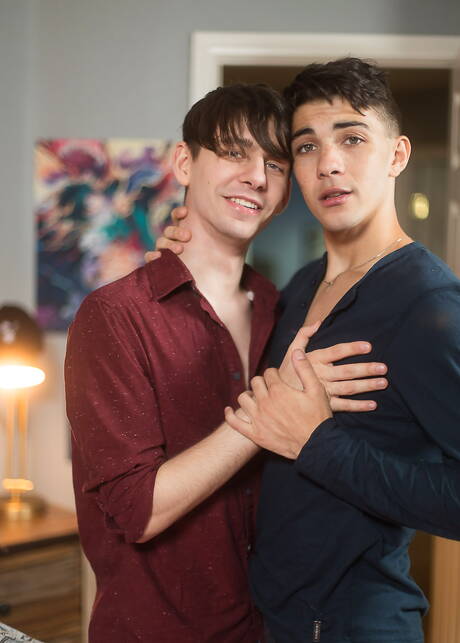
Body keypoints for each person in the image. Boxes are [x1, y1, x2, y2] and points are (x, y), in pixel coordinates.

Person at [65, 83, 386, 642]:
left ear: (284, 194)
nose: (256, 177)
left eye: (275, 164)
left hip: (274, 627)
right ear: (184, 163)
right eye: (234, 153)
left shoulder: (282, 307)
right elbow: (138, 510)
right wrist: (271, 409)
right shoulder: (115, 316)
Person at [159, 59, 460, 642]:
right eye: (306, 146)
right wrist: (185, 256)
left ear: (397, 155)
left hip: (356, 626)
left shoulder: (430, 305)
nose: (329, 164)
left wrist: (318, 443)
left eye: (352, 138)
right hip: (272, 620)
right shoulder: (299, 287)